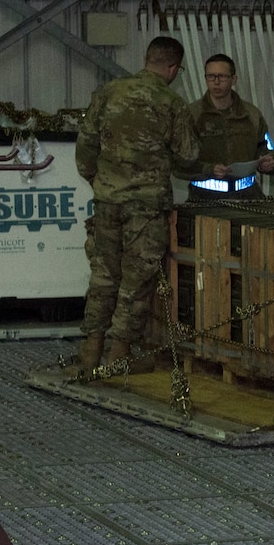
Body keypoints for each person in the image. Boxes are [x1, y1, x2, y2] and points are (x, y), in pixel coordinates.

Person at [74, 35, 201, 379]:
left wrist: (102, 183)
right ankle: (119, 355)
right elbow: (188, 159)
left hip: (107, 202)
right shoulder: (172, 103)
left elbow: (85, 147)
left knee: (103, 276)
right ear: (173, 68)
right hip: (146, 208)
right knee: (136, 281)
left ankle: (90, 351)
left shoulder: (108, 93)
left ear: (147, 59)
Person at [185, 53, 274, 183]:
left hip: (247, 195)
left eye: (222, 77)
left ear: (234, 79)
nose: (216, 82)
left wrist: (272, 161)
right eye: (211, 76)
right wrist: (208, 169)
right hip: (204, 197)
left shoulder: (251, 114)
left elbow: (266, 149)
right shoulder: (192, 114)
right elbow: (179, 163)